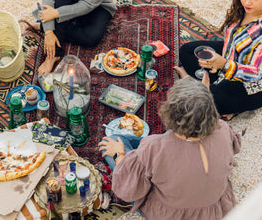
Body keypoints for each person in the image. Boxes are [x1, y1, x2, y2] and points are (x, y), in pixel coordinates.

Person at [98, 76, 241, 220]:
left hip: (171, 214)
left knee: (114, 142)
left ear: (171, 112)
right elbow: (234, 148)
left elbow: (128, 191)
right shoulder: (223, 129)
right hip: (213, 209)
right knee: (145, 150)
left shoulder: (155, 148)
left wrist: (119, 154)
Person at [175, 0, 262, 120]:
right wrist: (221, 62)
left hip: (260, 78)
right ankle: (209, 87)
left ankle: (202, 86)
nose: (247, 2)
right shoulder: (242, 10)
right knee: (188, 51)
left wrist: (225, 65)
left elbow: (256, 73)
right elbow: (231, 42)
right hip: (234, 56)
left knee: (216, 97)